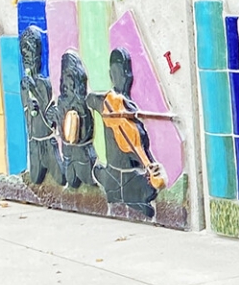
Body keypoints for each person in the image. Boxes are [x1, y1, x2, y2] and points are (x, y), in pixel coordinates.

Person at [92, 50, 165, 219]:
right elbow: (89, 99)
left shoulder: (128, 109)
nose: (124, 77)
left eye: (125, 72)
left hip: (128, 176)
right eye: (118, 72)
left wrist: (150, 167)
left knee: (148, 193)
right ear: (111, 74)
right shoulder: (105, 101)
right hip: (113, 174)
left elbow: (139, 148)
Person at [18, 27, 65, 188]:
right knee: (35, 177)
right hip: (34, 143)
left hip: (47, 141)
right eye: (26, 58)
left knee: (61, 177)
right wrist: (27, 102)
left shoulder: (43, 84)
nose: (29, 62)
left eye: (32, 57)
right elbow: (27, 111)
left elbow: (47, 110)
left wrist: (35, 94)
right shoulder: (24, 84)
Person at [54, 52, 98, 191]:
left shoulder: (82, 104)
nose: (66, 84)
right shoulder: (62, 102)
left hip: (82, 154)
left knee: (89, 181)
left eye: (70, 79)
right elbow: (61, 130)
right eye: (63, 79)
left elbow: (86, 133)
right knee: (71, 181)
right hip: (67, 153)